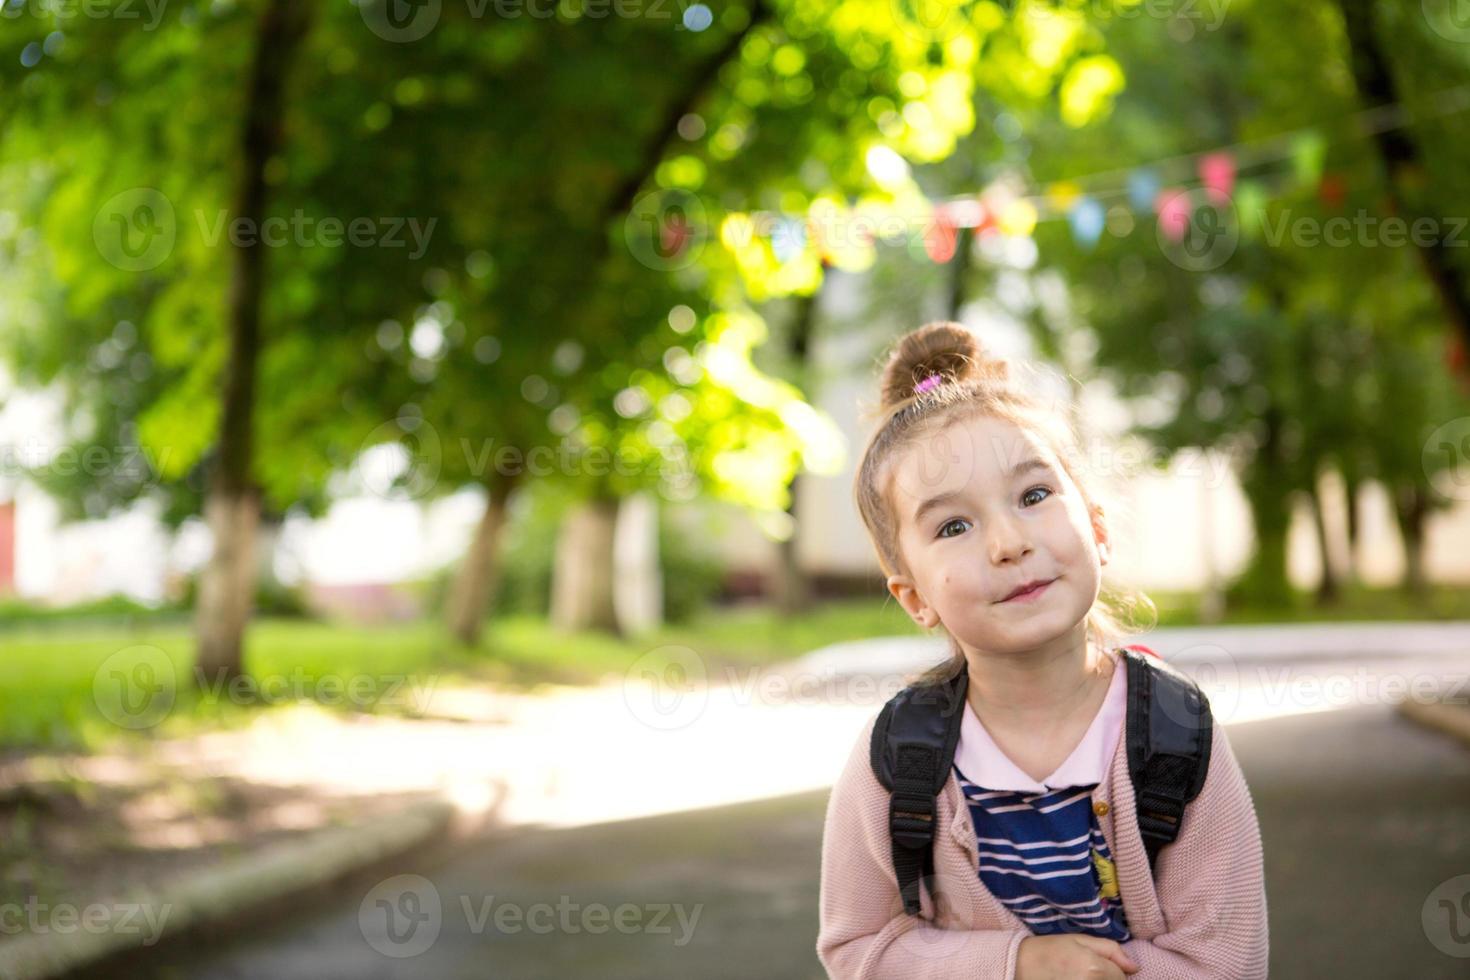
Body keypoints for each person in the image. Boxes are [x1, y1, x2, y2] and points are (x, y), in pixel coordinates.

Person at [816, 322, 1268, 979]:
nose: (1007, 542)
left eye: (1033, 496)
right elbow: (858, 947)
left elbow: (1228, 960)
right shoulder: (900, 756)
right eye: (954, 525)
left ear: (1099, 530)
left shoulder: (1173, 736)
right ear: (914, 597)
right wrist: (1019, 964)